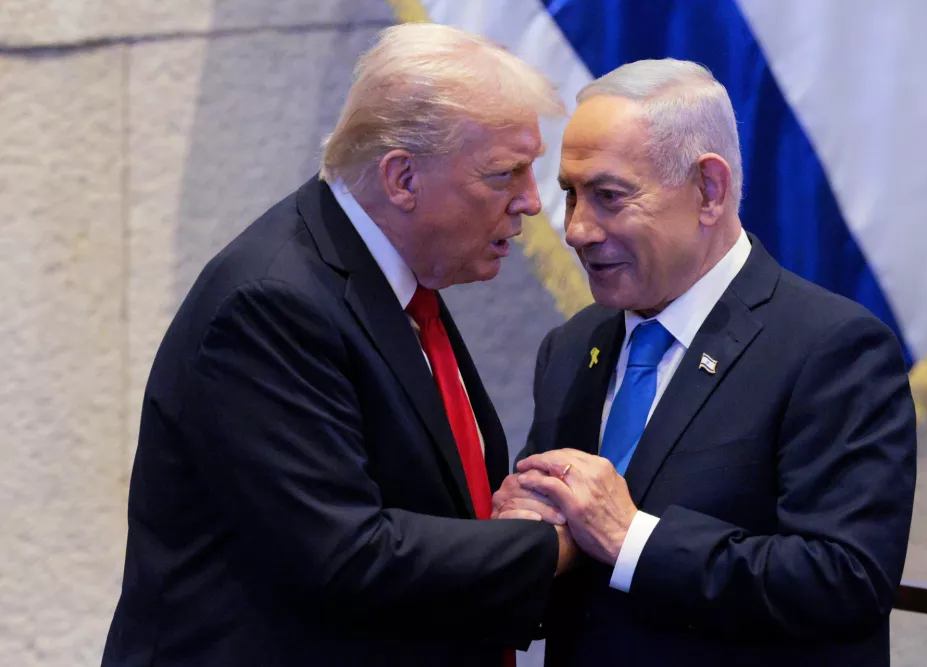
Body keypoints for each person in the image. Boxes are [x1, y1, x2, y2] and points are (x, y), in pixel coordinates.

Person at [102, 23, 575, 667]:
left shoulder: (394, 280)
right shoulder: (271, 305)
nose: (531, 202)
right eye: (504, 174)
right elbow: (347, 555)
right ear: (402, 178)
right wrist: (550, 544)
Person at [493, 59, 917, 667]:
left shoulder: (833, 349)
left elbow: (844, 581)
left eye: (609, 196)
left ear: (708, 191)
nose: (578, 229)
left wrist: (632, 538)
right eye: (571, 194)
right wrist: (526, 540)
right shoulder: (571, 347)